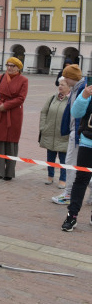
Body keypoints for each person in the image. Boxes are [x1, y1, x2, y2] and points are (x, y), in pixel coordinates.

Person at [51, 65, 86, 205]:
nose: (64, 79)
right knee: (76, 164)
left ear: (71, 77)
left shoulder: (82, 89)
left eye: (66, 77)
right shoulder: (77, 89)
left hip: (79, 133)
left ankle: (69, 193)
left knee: (72, 164)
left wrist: (76, 132)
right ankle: (70, 192)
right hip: (75, 132)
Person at [0, 58, 28, 181]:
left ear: (18, 68)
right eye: (8, 65)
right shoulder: (1, 77)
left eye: (12, 66)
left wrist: (5, 106)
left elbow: (21, 98)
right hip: (0, 113)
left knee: (11, 143)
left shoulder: (23, 80)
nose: (9, 68)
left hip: (14, 114)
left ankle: (8, 172)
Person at [61, 79, 92, 232]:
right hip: (88, 142)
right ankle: (72, 215)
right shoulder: (89, 90)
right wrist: (84, 96)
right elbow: (76, 113)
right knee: (81, 179)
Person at [39, 77, 69, 187]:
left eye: (63, 84)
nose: (60, 86)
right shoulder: (52, 98)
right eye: (59, 84)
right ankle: (50, 176)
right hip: (50, 133)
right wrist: (43, 127)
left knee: (64, 159)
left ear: (69, 87)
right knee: (50, 157)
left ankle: (63, 179)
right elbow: (43, 112)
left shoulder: (71, 100)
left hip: (63, 135)